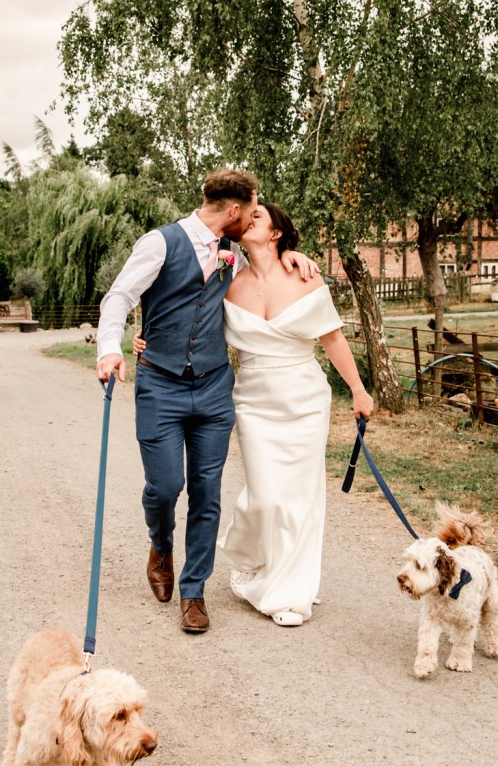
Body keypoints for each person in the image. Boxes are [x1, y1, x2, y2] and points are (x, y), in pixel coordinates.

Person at [96, 170, 318, 635]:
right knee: (164, 486)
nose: (255, 216)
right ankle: (160, 544)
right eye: (252, 209)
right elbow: (119, 296)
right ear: (233, 212)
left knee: (206, 492)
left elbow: (267, 272)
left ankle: (193, 592)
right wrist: (112, 348)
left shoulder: (234, 255)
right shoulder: (160, 243)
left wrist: (291, 254)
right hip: (160, 385)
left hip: (215, 389)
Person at [217, 202, 374, 627]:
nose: (249, 219)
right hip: (252, 401)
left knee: (301, 499)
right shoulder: (227, 282)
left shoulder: (305, 276)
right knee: (266, 496)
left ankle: (290, 594)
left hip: (304, 400)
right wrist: (146, 340)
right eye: (245, 215)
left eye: (259, 217)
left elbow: (333, 338)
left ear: (276, 234)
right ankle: (256, 561)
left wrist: (358, 391)